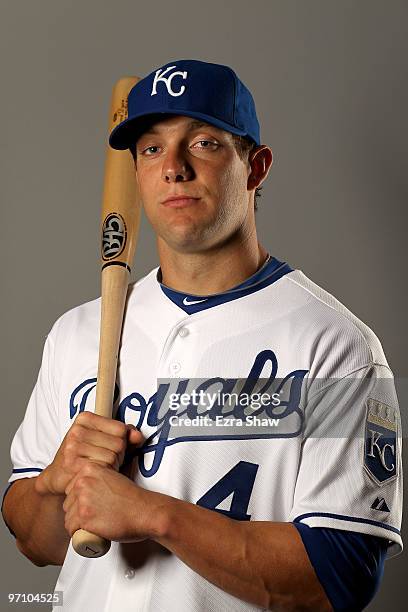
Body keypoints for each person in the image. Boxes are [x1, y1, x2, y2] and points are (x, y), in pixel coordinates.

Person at [2, 59, 402, 612]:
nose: (174, 168)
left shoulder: (335, 348)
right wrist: (56, 484)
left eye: (205, 142)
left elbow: (341, 574)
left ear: (255, 166)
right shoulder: (78, 333)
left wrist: (152, 514)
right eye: (151, 148)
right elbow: (36, 543)